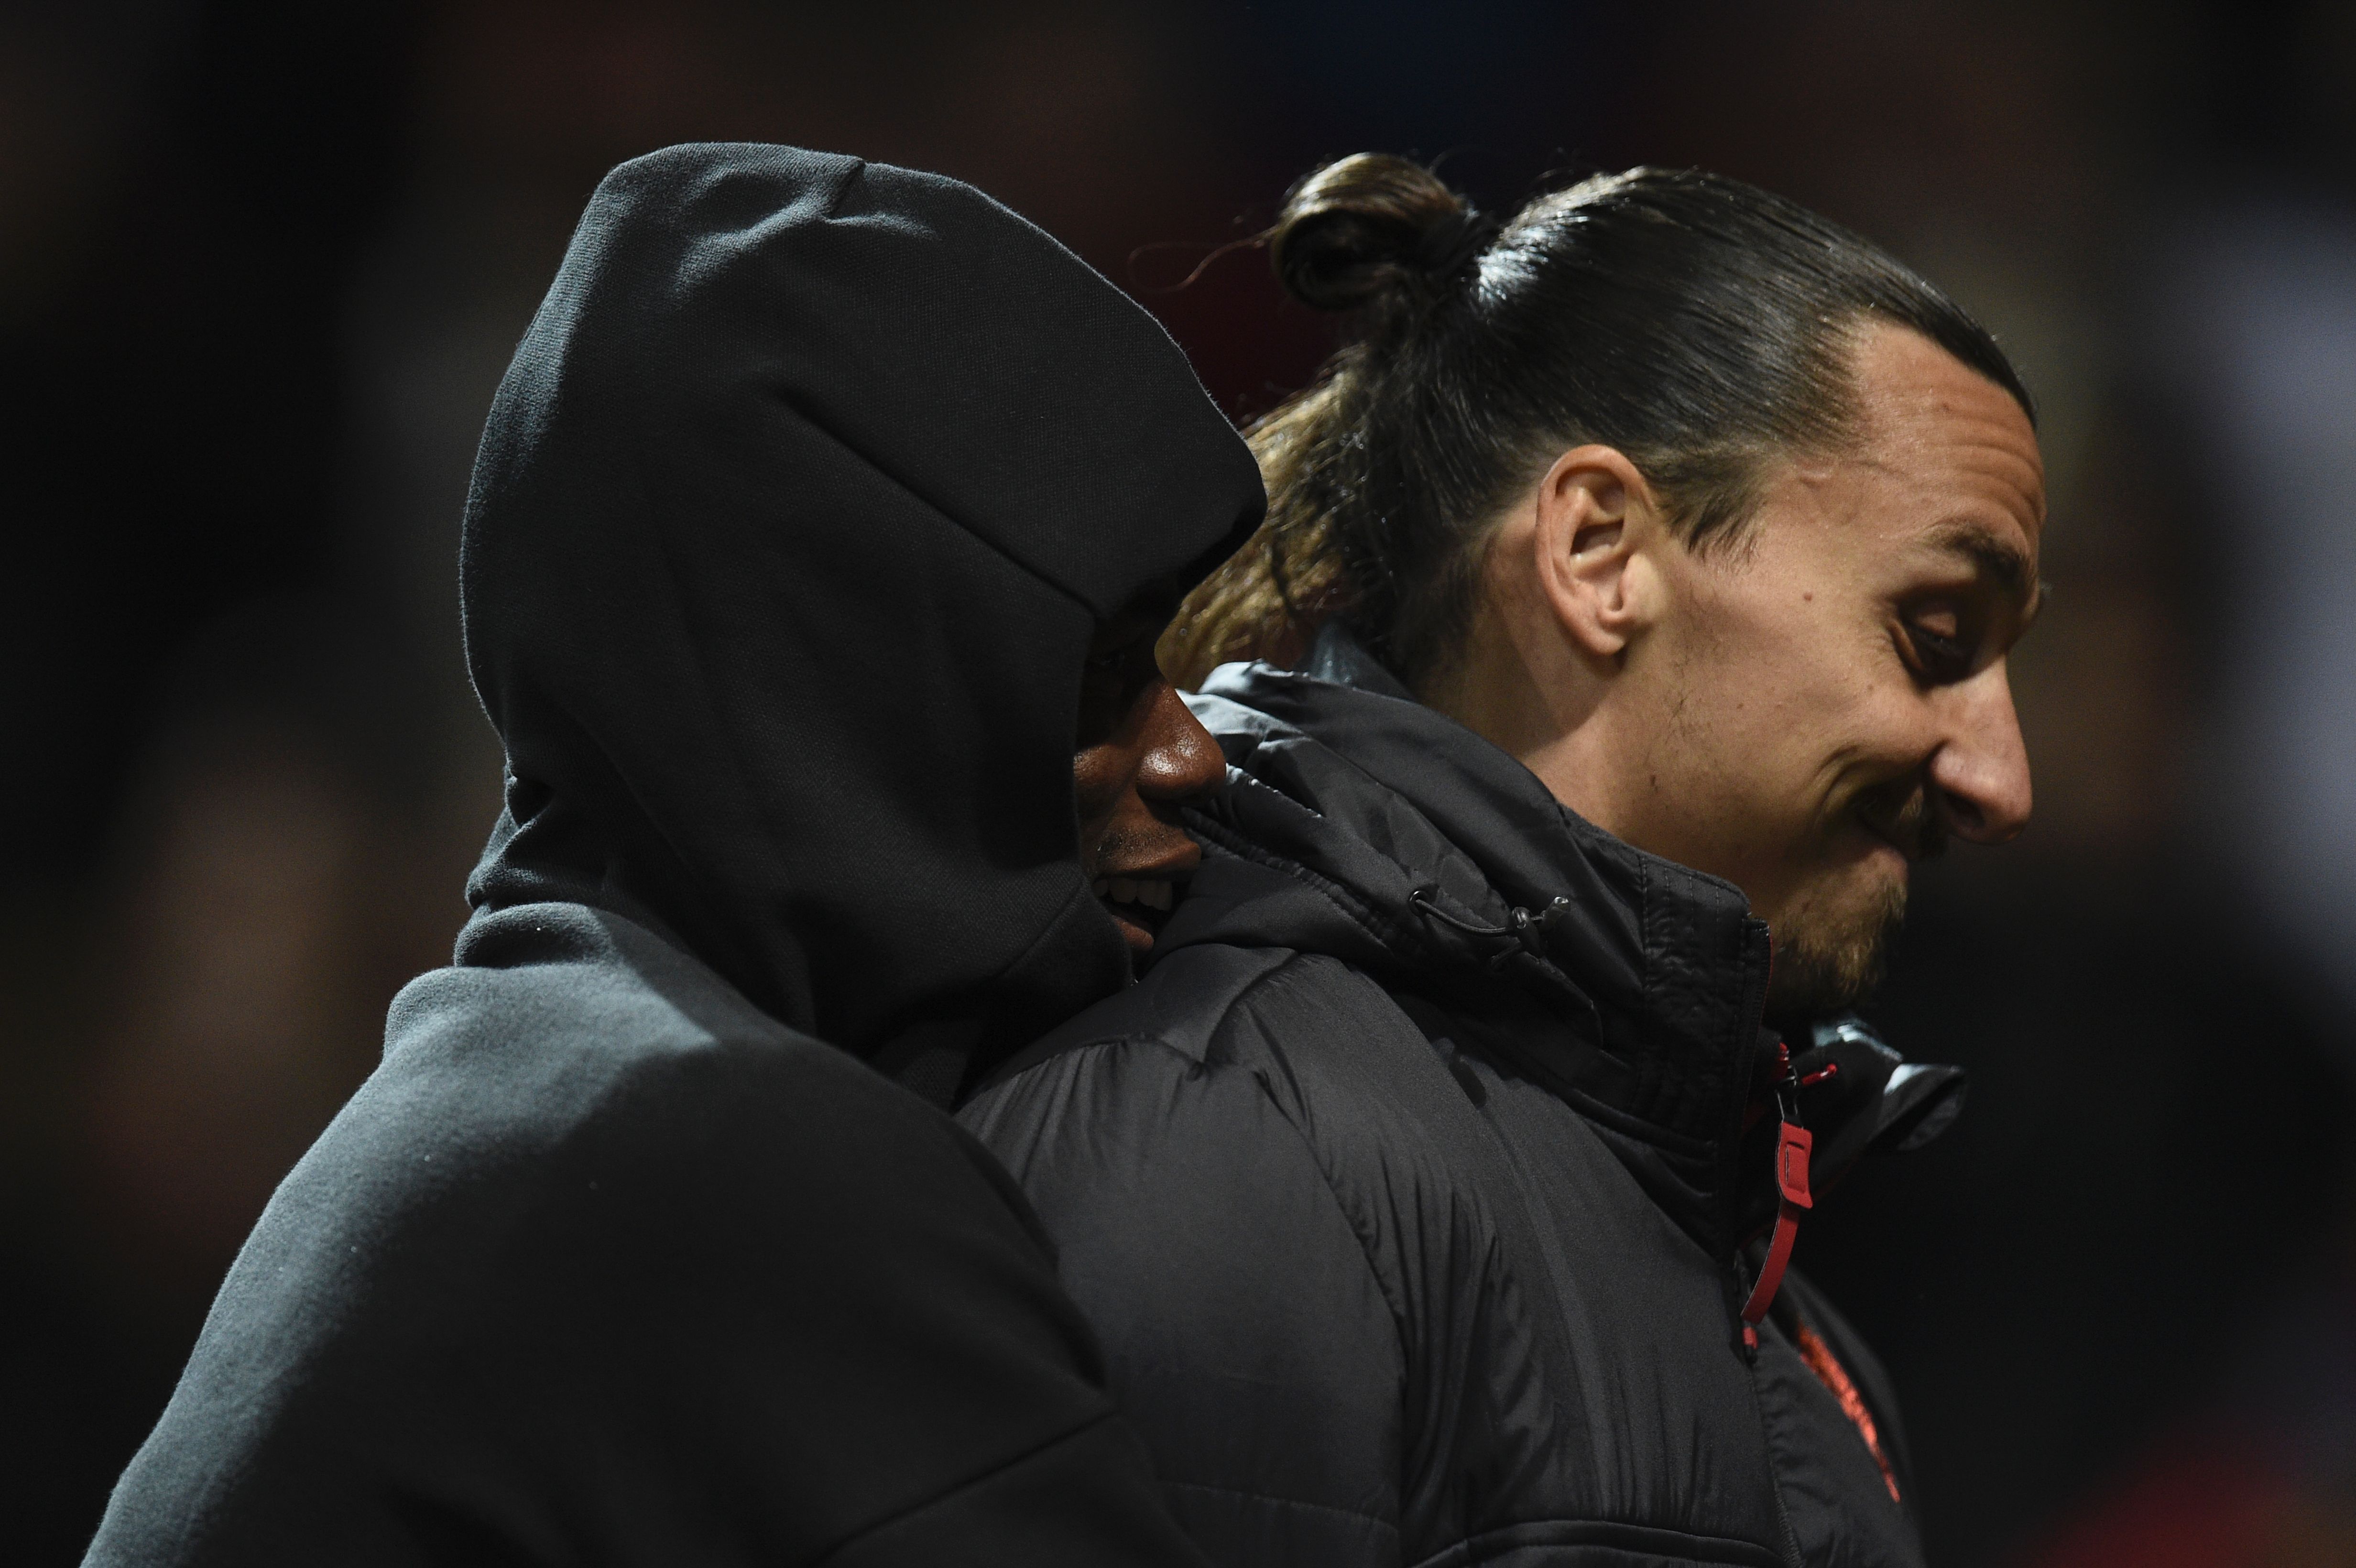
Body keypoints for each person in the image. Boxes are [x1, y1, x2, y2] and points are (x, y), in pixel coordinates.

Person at [83, 142, 1263, 1567]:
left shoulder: (512, 1098)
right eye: (1093, 681)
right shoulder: (732, 1156)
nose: (1192, 753)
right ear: (840, 704)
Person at [960, 153, 2044, 1568]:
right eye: (1936, 637)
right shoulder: (1223, 1140)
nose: (2002, 781)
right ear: (1599, 553)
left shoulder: (1774, 1282)